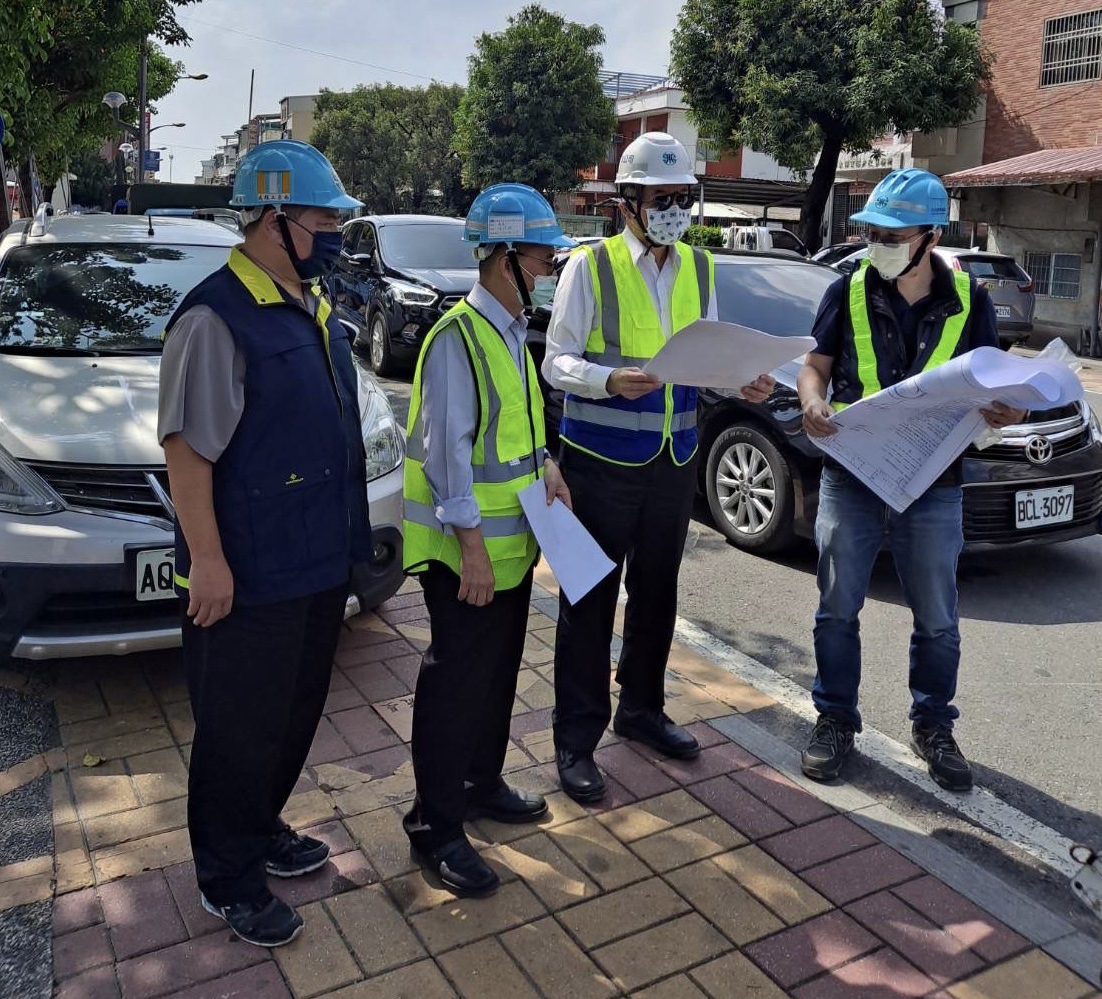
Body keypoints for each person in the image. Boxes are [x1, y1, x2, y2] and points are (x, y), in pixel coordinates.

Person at [158, 140, 367, 946]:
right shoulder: (215, 317)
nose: (335, 234)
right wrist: (206, 559)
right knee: (238, 726)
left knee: (291, 715)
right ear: (273, 220)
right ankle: (227, 875)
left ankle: (260, 826)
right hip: (247, 570)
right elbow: (188, 450)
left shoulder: (309, 305)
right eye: (323, 220)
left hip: (312, 560)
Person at [543, 132, 772, 802]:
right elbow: (556, 360)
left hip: (674, 459)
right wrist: (610, 380)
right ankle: (575, 738)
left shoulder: (700, 269)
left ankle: (641, 707)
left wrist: (741, 382)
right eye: (661, 197)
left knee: (658, 593)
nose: (675, 208)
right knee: (587, 599)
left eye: (683, 196)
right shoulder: (591, 266)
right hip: (598, 463)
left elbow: (708, 358)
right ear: (628, 202)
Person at [796, 168, 1025, 792]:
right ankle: (835, 720)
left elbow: (992, 386)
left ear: (930, 236)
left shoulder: (970, 300)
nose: (880, 241)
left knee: (938, 618)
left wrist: (1009, 411)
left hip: (934, 480)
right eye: (874, 230)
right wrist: (813, 403)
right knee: (837, 606)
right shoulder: (847, 290)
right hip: (853, 471)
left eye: (894, 232)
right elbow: (814, 368)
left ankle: (933, 726)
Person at [401, 183, 575, 895]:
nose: (549, 269)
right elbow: (448, 457)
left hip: (511, 553)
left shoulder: (509, 332)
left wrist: (548, 464)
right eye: (540, 256)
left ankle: (481, 781)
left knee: (496, 679)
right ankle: (435, 827)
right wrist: (471, 544)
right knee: (455, 686)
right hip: (467, 558)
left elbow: (516, 427)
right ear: (504, 257)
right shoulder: (457, 339)